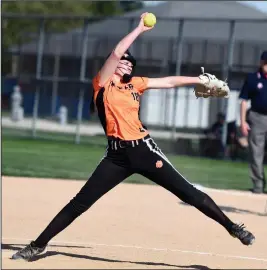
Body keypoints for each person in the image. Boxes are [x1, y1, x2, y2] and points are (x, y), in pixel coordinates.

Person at [11, 13, 255, 262]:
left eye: (131, 63)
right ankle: (37, 245)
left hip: (144, 150)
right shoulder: (102, 83)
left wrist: (200, 79)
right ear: (111, 64)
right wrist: (139, 29)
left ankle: (232, 227)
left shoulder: (135, 84)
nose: (128, 63)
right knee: (81, 201)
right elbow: (117, 52)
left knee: (188, 193)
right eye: (124, 61)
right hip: (116, 157)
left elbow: (169, 82)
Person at [239, 50, 267, 194]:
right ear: (261, 63)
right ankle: (258, 185)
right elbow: (244, 101)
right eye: (266, 63)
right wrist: (243, 122)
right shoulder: (252, 79)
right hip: (257, 117)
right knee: (256, 152)